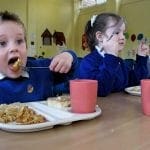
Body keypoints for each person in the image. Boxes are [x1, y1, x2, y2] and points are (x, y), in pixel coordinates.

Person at [0, 11, 78, 104]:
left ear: (26, 47)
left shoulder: (41, 69)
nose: (13, 48)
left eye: (19, 41)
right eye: (2, 43)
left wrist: (68, 56)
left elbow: (73, 71)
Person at [78, 12, 149, 97]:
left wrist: (141, 58)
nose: (123, 37)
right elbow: (101, 90)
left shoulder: (119, 62)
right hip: (102, 109)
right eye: (117, 32)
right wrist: (111, 56)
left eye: (123, 33)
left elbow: (135, 81)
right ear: (100, 37)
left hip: (120, 108)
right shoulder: (88, 63)